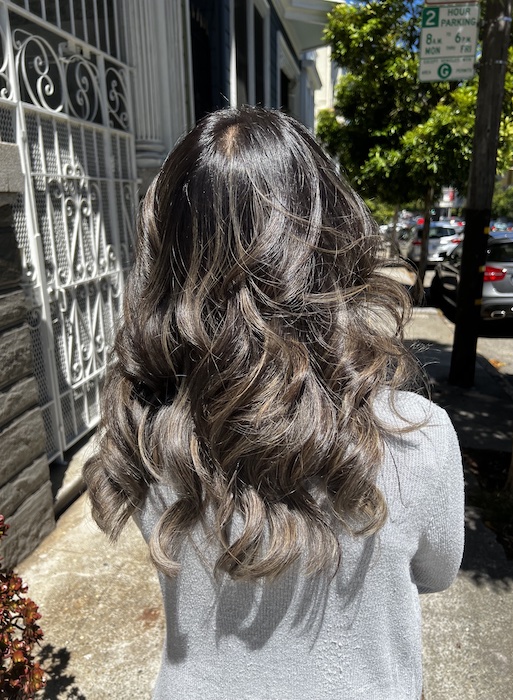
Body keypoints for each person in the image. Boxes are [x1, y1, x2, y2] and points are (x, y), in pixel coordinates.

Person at [83, 106, 464, 700]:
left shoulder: (145, 428)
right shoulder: (417, 435)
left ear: (167, 251)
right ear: (333, 235)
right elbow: (436, 573)